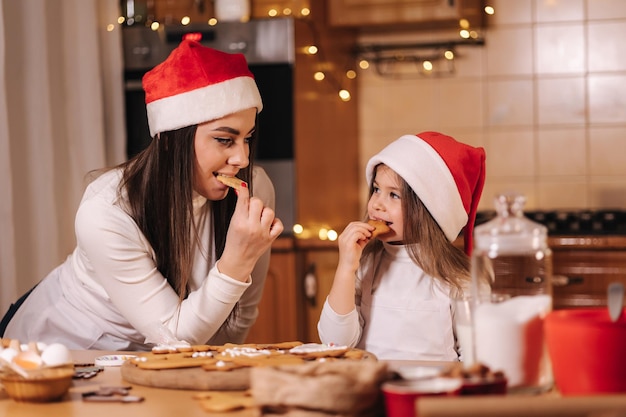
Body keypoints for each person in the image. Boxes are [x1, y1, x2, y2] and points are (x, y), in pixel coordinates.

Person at [0, 40, 283, 350]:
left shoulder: (256, 190)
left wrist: (211, 371)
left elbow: (239, 315)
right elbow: (175, 337)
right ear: (169, 139)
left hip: (154, 355)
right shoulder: (106, 212)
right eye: (224, 140)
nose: (242, 158)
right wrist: (236, 262)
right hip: (64, 348)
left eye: (248, 138)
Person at [317, 132, 486, 361]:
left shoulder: (459, 278)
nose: (377, 204)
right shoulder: (366, 265)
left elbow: (477, 357)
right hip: (371, 389)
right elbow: (334, 343)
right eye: (376, 189)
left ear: (429, 209)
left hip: (434, 393)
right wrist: (346, 269)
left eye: (394, 195)